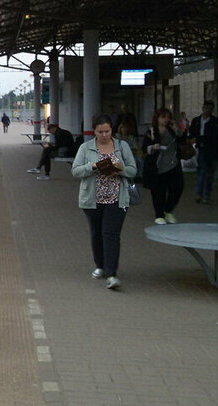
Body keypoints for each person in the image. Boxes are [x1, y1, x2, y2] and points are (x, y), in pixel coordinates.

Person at [71, 114, 137, 290]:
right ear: (94, 131)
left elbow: (133, 170)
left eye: (107, 131)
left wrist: (120, 171)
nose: (104, 135)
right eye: (100, 131)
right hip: (92, 199)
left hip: (117, 198)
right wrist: (92, 167)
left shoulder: (122, 147)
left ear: (112, 130)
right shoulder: (86, 148)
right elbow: (75, 171)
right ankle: (100, 265)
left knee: (111, 234)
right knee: (96, 233)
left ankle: (111, 273)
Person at [141, 108, 185, 224]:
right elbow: (145, 148)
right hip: (157, 166)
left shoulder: (171, 130)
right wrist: (153, 147)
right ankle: (159, 214)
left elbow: (182, 141)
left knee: (177, 188)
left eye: (167, 117)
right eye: (163, 117)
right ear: (157, 118)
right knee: (158, 191)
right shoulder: (152, 131)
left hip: (173, 164)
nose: (166, 120)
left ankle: (168, 210)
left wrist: (177, 130)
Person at [189, 100, 218, 204]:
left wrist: (199, 139)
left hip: (212, 150)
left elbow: (214, 137)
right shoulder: (196, 121)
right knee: (202, 171)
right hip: (201, 149)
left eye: (210, 109)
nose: (208, 110)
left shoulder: (215, 122)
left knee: (210, 173)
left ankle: (206, 194)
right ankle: (199, 194)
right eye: (206, 108)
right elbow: (192, 133)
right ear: (203, 108)